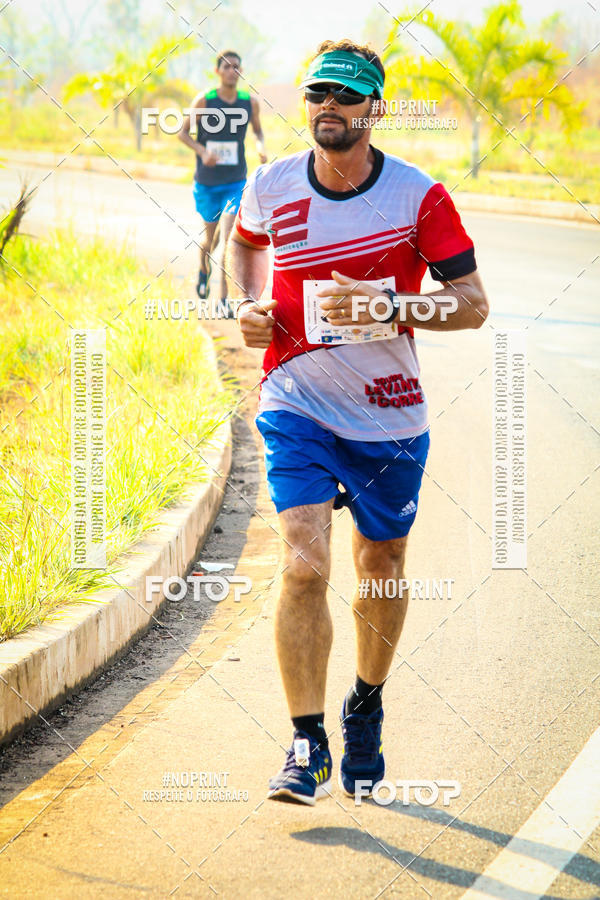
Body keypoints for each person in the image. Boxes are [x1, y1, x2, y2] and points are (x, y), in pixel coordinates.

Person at [229, 39, 489, 805]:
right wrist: (246, 304)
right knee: (303, 563)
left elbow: (473, 306)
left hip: (387, 414)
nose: (329, 106)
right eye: (318, 93)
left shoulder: (418, 197)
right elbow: (243, 248)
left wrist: (391, 305)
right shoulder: (271, 184)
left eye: (347, 95)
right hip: (295, 399)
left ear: (375, 108)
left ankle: (366, 706)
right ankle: (306, 745)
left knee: (381, 563)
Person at [178, 49, 267, 316]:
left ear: (241, 71)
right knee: (211, 240)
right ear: (217, 71)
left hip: (235, 181)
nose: (232, 71)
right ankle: (203, 269)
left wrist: (260, 147)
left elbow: (258, 131)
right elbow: (182, 133)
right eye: (226, 67)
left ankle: (225, 300)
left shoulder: (249, 102)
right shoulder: (205, 100)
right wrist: (203, 152)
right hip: (207, 183)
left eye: (236, 66)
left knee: (229, 239)